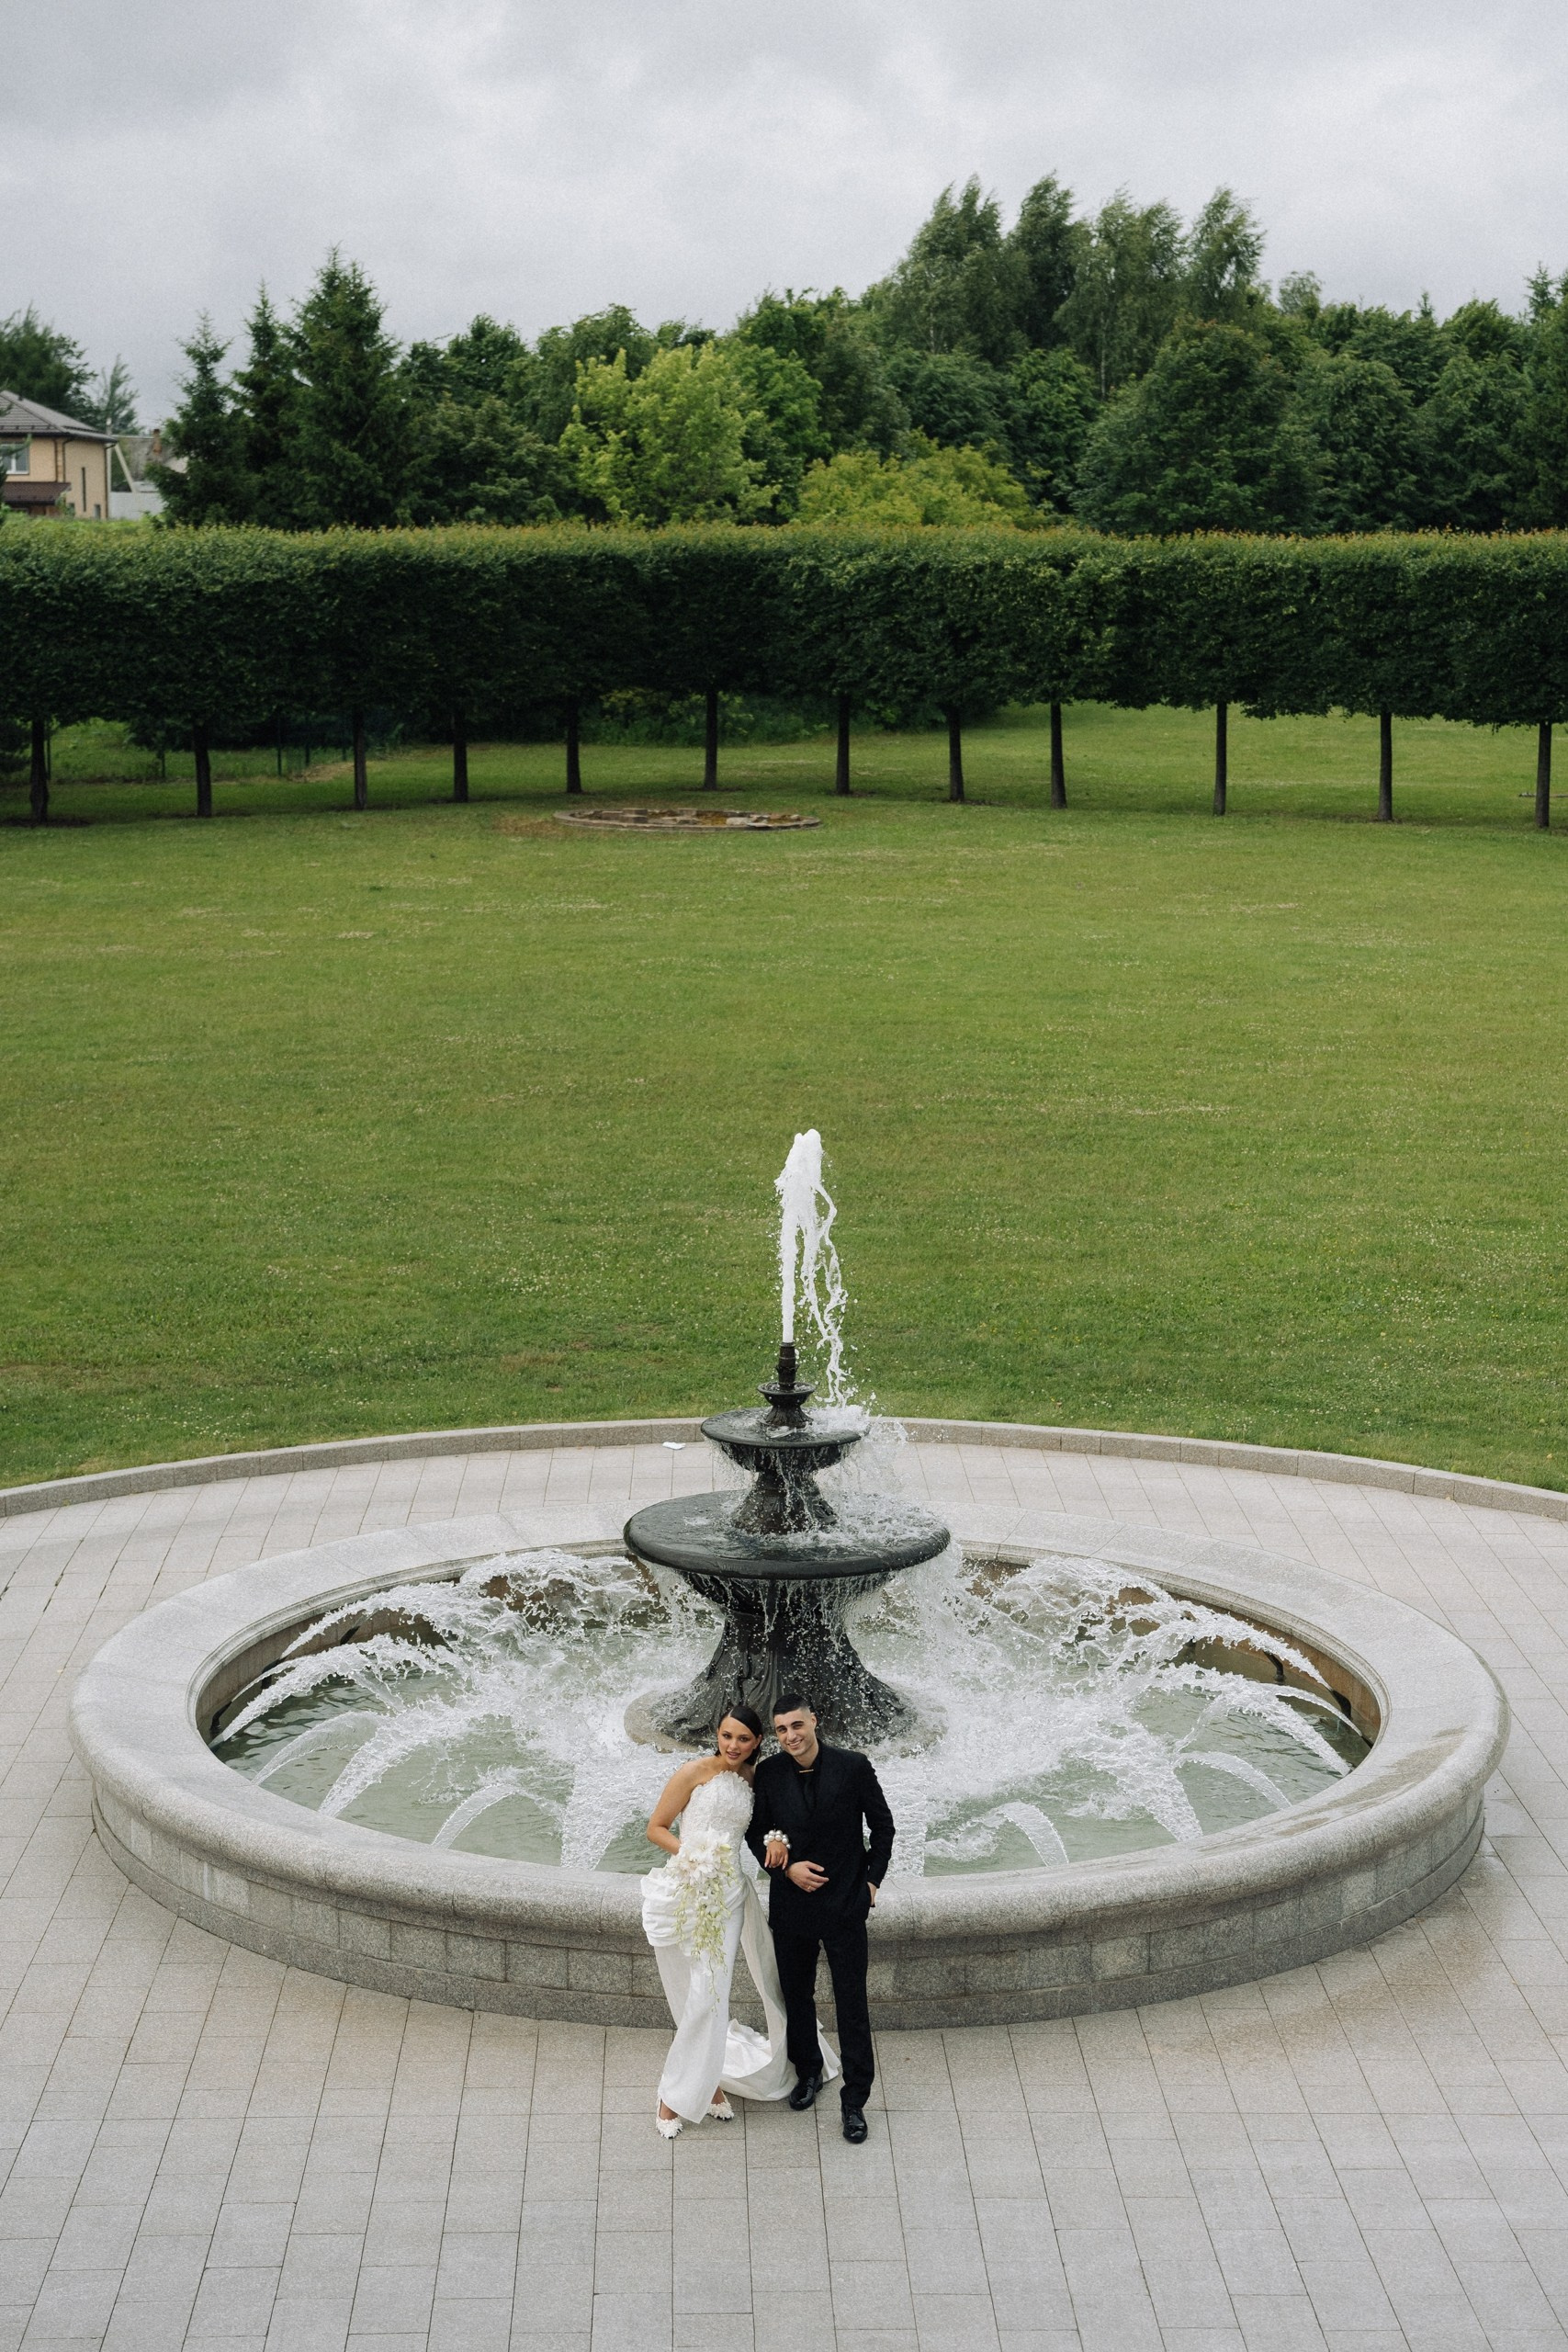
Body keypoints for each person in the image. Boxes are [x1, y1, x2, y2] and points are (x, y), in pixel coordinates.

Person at [642, 1704, 838, 2137]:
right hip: (690, 1886)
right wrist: (694, 1856)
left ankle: (683, 2091)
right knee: (699, 1994)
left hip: (730, 1897)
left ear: (757, 1742)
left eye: (743, 1739)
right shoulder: (694, 1772)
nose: (733, 1745)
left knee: (711, 1991)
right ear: (717, 1734)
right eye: (727, 1736)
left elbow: (769, 1826)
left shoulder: (755, 1779)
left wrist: (776, 1839)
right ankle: (693, 2088)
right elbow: (656, 1828)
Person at [747, 1691, 895, 2145]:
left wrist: (871, 1883)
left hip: (845, 1904)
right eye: (781, 1729)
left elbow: (883, 1827)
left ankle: (855, 2100)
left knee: (852, 2003)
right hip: (792, 1906)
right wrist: (785, 1867)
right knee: (797, 1994)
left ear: (814, 1721)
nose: (790, 1736)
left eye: (797, 1725)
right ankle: (807, 2071)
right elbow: (756, 1831)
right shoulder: (769, 1773)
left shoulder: (853, 1766)